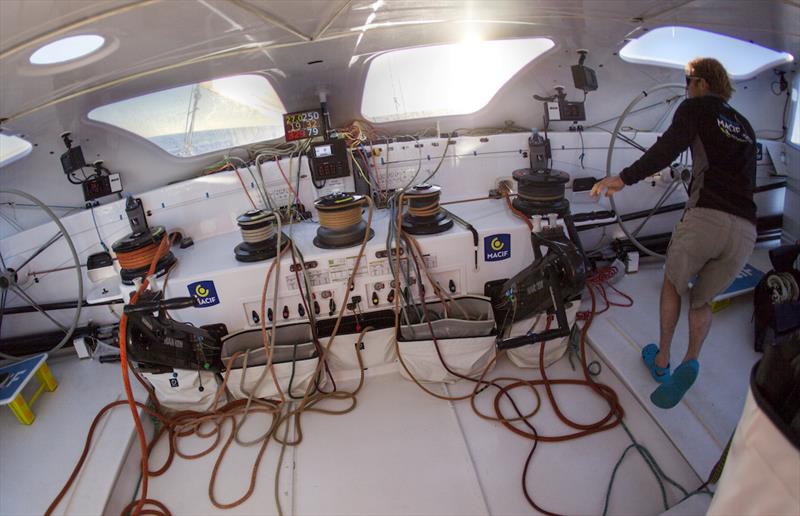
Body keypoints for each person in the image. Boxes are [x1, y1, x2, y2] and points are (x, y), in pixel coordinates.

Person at [591, 57, 757, 409]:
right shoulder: (744, 125)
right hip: (746, 230)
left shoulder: (695, 108)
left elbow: (667, 149)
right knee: (703, 300)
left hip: (705, 219)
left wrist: (623, 178)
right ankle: (691, 360)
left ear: (698, 83)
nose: (686, 89)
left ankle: (663, 359)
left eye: (687, 83)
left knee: (673, 284)